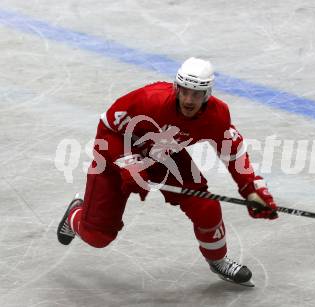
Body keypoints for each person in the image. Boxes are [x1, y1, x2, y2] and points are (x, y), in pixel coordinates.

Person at [57, 57, 278, 287]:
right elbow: (107, 130)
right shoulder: (148, 100)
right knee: (97, 237)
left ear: (207, 94)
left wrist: (251, 189)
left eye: (196, 94)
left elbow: (233, 153)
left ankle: (218, 260)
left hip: (164, 156)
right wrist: (128, 164)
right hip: (117, 153)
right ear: (176, 88)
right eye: (185, 92)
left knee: (206, 206)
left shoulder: (217, 115)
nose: (189, 100)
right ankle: (75, 214)